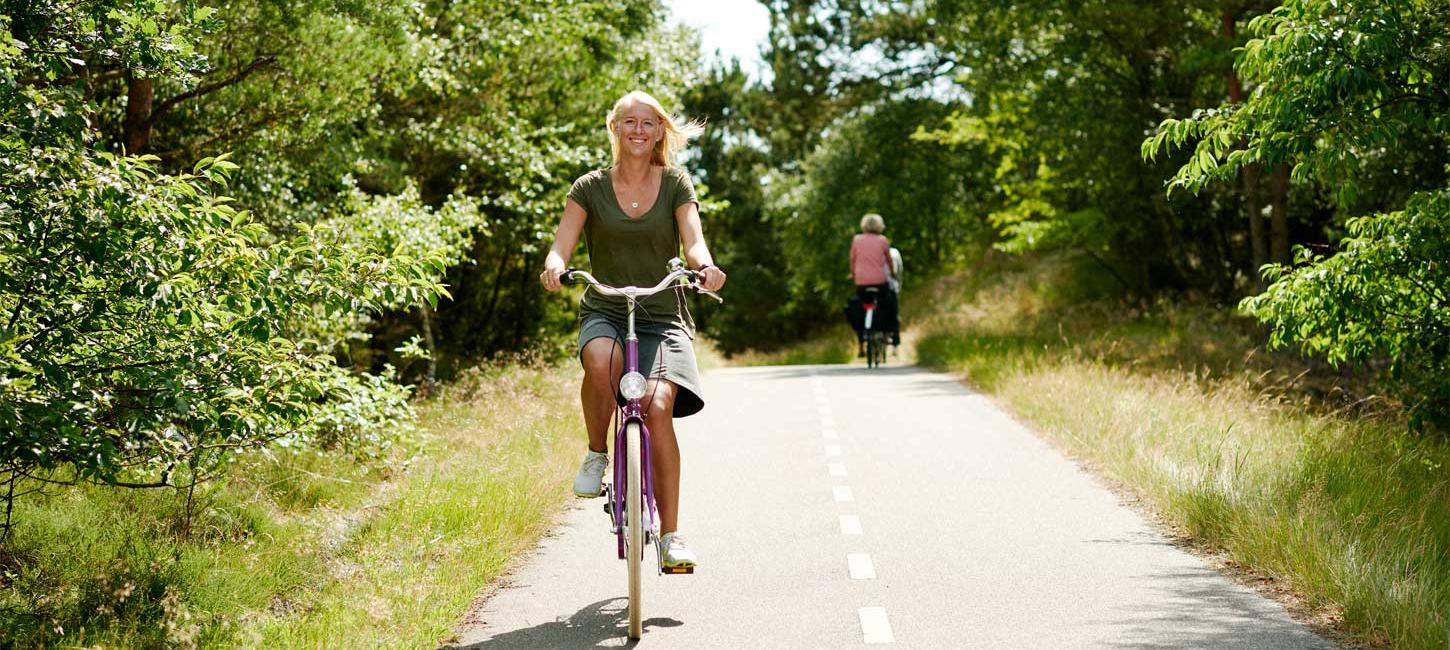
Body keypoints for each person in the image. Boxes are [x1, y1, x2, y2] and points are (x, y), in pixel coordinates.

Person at [539, 90, 726, 570]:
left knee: (658, 405)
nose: (639, 130)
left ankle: (671, 536)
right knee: (602, 359)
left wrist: (704, 267)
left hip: (663, 314)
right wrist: (555, 266)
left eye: (648, 123)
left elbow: (695, 240)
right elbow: (562, 243)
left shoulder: (676, 184)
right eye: (629, 122)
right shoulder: (589, 187)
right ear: (615, 128)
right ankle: (597, 453)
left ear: (660, 130)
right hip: (606, 304)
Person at [849, 213, 898, 351]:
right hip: (879, 281)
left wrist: (853, 275)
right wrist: (893, 274)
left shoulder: (856, 240)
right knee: (888, 303)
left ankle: (861, 341)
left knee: (860, 306)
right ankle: (889, 332)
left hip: (861, 282)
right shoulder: (882, 240)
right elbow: (889, 261)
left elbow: (852, 260)